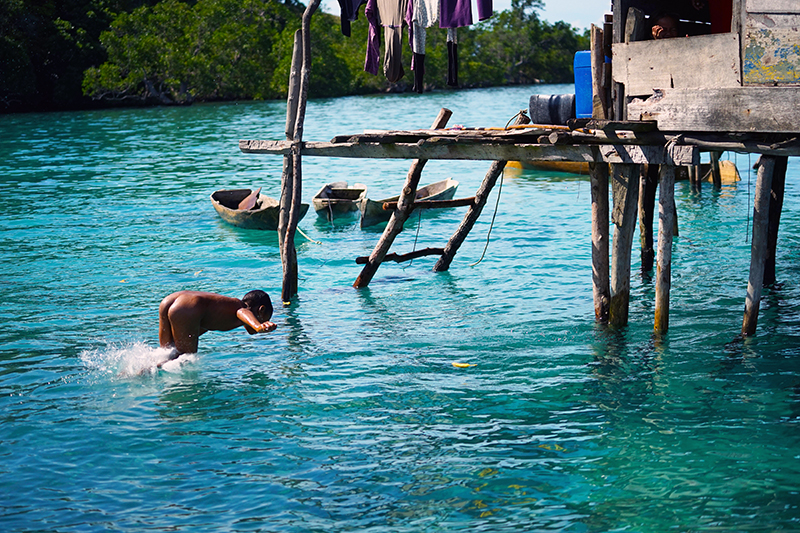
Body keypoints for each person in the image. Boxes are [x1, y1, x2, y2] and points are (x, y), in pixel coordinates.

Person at [158, 290, 276, 357]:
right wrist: (258, 326)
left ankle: (144, 370)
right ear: (261, 310)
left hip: (170, 301)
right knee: (187, 359)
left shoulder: (220, 314)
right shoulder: (240, 307)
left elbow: (192, 332)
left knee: (168, 351)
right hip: (188, 306)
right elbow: (242, 312)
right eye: (264, 319)